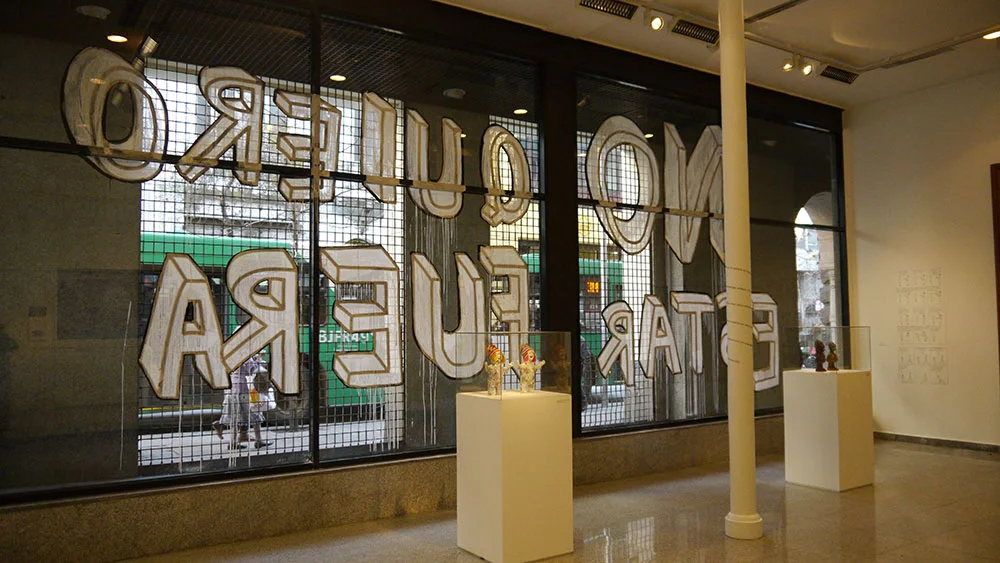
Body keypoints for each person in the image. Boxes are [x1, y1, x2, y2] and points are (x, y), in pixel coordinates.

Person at [213, 353, 271, 449]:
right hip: (244, 388)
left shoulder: (231, 354)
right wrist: (259, 359)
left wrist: (254, 359)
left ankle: (233, 441)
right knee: (255, 414)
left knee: (235, 418)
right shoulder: (243, 354)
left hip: (232, 388)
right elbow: (252, 370)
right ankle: (259, 440)